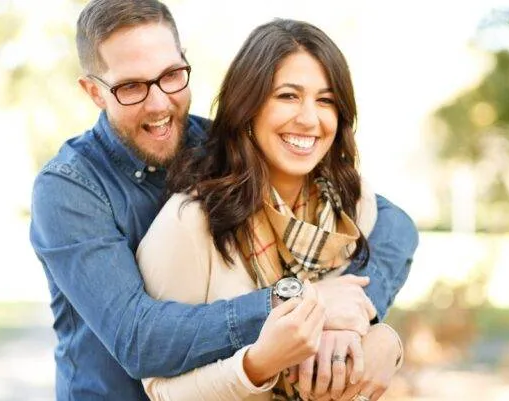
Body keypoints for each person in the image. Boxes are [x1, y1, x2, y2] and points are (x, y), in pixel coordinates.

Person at [29, 1, 419, 400]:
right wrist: (300, 304)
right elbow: (139, 339)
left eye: (171, 76)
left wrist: (362, 318)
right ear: (94, 91)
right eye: (131, 87)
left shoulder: (222, 148)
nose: (159, 103)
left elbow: (395, 225)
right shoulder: (69, 189)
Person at [136, 18, 408, 401]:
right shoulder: (190, 223)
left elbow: (357, 314)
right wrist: (258, 364)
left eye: (326, 100)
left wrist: (386, 340)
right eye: (288, 96)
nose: (309, 119)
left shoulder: (352, 203)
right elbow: (160, 390)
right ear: (247, 107)